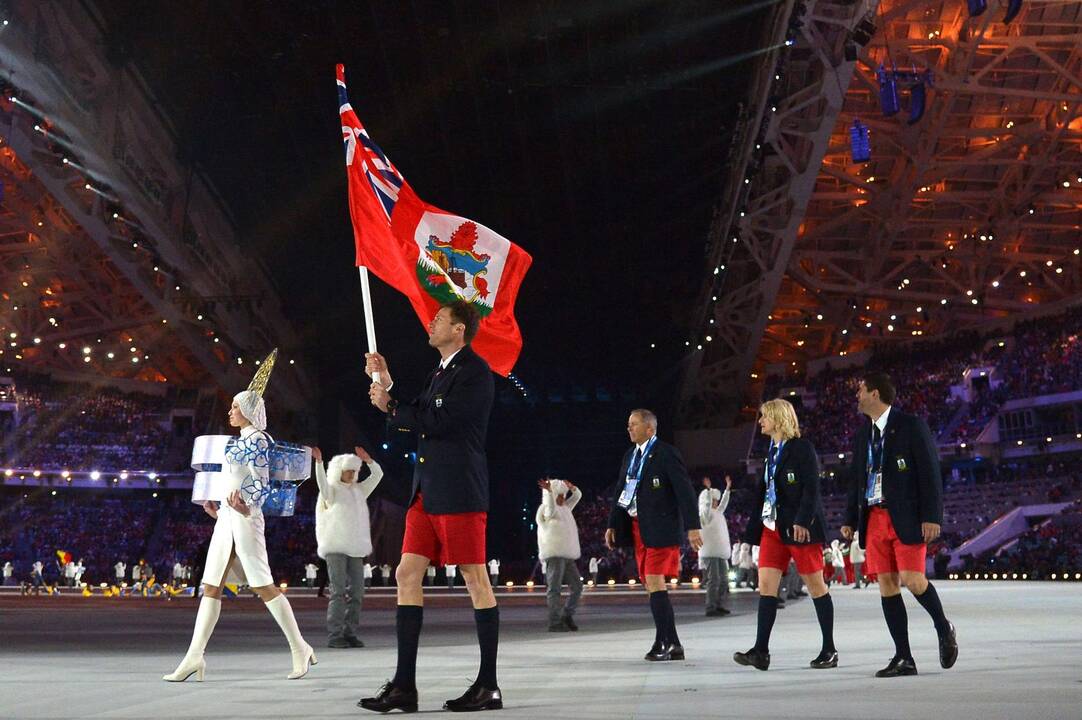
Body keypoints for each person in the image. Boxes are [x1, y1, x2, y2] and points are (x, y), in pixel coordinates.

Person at [360, 301, 501, 713]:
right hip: (427, 490)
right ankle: (404, 686)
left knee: (475, 577)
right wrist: (387, 384)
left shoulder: (475, 372)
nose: (431, 322)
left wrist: (390, 406)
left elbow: (443, 423)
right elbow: (420, 413)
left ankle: (488, 685)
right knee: (406, 573)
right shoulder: (439, 373)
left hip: (459, 490)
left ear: (458, 330)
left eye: (438, 319)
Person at [163, 372, 315, 682]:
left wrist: (244, 507)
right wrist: (218, 510)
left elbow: (261, 482)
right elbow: (236, 481)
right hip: (229, 518)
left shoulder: (258, 439)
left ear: (247, 411)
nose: (230, 411)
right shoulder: (242, 440)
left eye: (234, 407)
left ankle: (300, 647)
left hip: (246, 518)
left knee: (262, 586)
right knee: (211, 587)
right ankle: (194, 657)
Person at [842, 371, 958, 678]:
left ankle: (943, 627)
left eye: (861, 390)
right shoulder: (861, 435)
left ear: (876, 394)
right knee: (887, 585)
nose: (857, 396)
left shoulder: (910, 425)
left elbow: (930, 472)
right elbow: (856, 480)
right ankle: (903, 657)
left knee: (912, 578)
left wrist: (932, 516)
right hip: (874, 516)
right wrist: (849, 520)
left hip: (905, 515)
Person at [733, 398, 838, 672]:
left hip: (799, 529)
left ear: (778, 418)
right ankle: (761, 651)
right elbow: (762, 496)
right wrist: (750, 535)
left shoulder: (801, 448)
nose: (760, 422)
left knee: (816, 587)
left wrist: (803, 520)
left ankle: (829, 649)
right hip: (773, 529)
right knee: (766, 588)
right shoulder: (770, 452)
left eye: (764, 416)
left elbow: (811, 488)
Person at [605, 409, 701, 662]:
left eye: (634, 425)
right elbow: (620, 492)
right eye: (628, 425)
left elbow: (685, 491)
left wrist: (693, 526)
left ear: (650, 428)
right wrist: (612, 524)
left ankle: (663, 642)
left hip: (661, 527)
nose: (629, 429)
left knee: (655, 581)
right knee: (650, 585)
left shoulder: (666, 454)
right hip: (638, 528)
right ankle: (673, 643)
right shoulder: (629, 456)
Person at [314, 445, 384, 648]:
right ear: (338, 471)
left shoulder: (359, 491)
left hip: (355, 546)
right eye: (348, 471)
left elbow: (378, 475)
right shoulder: (331, 491)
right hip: (335, 546)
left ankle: (350, 632)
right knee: (337, 591)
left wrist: (369, 461)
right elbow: (321, 484)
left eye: (354, 471)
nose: (352, 474)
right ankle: (335, 635)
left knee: (357, 592)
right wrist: (319, 463)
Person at [536, 478, 584, 632]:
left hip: (567, 553)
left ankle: (566, 615)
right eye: (560, 495)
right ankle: (554, 622)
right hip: (554, 553)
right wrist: (550, 491)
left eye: (564, 495)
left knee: (577, 586)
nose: (563, 498)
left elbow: (577, 496)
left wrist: (572, 487)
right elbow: (550, 505)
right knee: (554, 588)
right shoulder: (548, 510)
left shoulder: (566, 509)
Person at [698, 475, 732, 616]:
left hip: (720, 551)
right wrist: (708, 491)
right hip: (710, 552)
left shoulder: (718, 513)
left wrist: (727, 489)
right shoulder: (705, 515)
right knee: (714, 580)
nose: (716, 503)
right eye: (714, 500)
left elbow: (724, 503)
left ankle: (718, 604)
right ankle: (710, 607)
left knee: (724, 580)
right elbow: (706, 505)